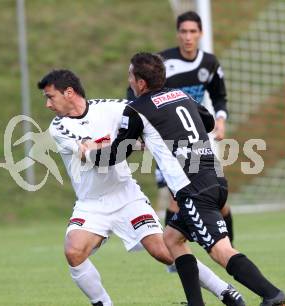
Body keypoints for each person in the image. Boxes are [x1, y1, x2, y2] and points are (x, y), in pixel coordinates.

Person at [81, 53, 285, 306]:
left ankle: (272, 295)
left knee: (220, 251)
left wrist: (89, 153)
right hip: (214, 177)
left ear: (141, 83)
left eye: (130, 76)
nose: (129, 80)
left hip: (194, 190)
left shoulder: (136, 109)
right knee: (172, 239)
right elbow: (209, 122)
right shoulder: (182, 95)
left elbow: (116, 154)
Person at [38, 69, 245, 306]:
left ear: (69, 92)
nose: (47, 104)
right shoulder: (58, 127)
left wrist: (145, 137)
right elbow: (89, 154)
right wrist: (133, 142)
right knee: (74, 251)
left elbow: (146, 115)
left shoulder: (111, 107)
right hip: (91, 204)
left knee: (164, 251)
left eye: (50, 97)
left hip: (127, 197)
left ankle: (226, 292)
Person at [127, 11, 234, 243]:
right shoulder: (162, 63)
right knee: (175, 197)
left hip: (198, 136)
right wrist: (140, 126)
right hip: (169, 140)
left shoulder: (209, 63)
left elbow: (219, 96)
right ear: (177, 34)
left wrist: (221, 121)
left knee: (220, 199)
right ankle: (174, 253)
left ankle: (227, 246)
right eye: (183, 31)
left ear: (201, 34)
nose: (188, 37)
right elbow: (136, 91)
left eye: (193, 31)